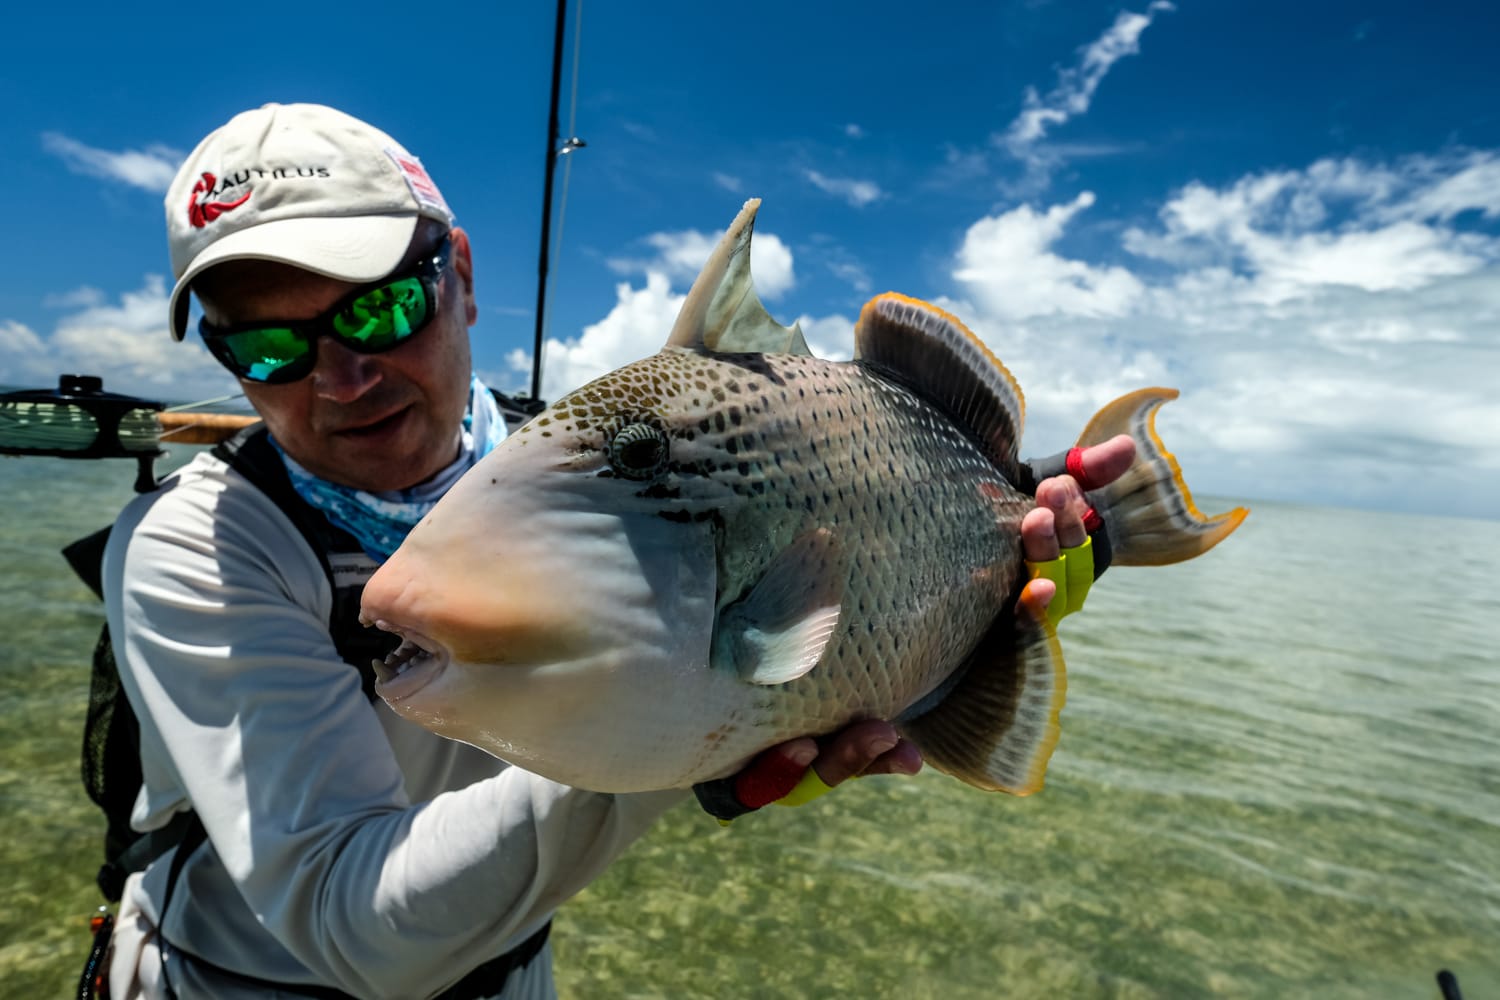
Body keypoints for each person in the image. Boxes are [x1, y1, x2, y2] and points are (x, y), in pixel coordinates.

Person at [100, 102, 1129, 1000]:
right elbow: (354, 934)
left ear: (457, 276)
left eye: (380, 306)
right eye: (268, 348)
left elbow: (834, 496)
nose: (340, 378)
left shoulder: (572, 454)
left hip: (510, 973)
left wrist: (980, 527)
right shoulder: (197, 544)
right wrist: (691, 733)